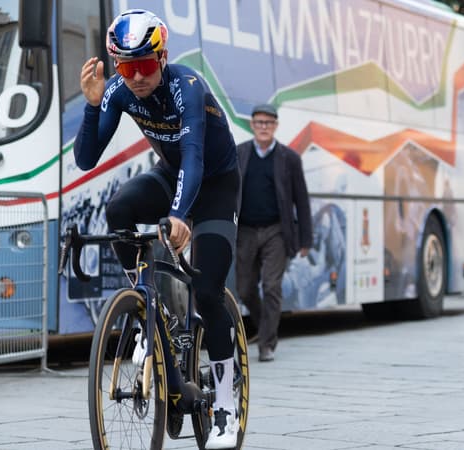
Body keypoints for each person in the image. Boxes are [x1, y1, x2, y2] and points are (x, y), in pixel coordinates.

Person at [74, 9, 240, 449]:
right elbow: (86, 159)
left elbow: (193, 154)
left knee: (207, 292)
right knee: (119, 209)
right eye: (127, 68)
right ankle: (150, 315)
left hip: (215, 183)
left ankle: (225, 402)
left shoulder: (188, 87)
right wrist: (93, 108)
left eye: (145, 66)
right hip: (171, 174)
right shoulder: (118, 90)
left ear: (162, 58)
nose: (137, 77)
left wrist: (182, 215)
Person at [235, 104, 312, 363]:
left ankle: (266, 344)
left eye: (269, 123)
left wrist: (305, 239)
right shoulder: (240, 153)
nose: (264, 127)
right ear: (252, 125)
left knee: (271, 287)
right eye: (259, 122)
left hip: (276, 231)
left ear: (276, 126)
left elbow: (301, 199)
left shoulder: (289, 158)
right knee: (244, 290)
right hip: (244, 231)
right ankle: (266, 325)